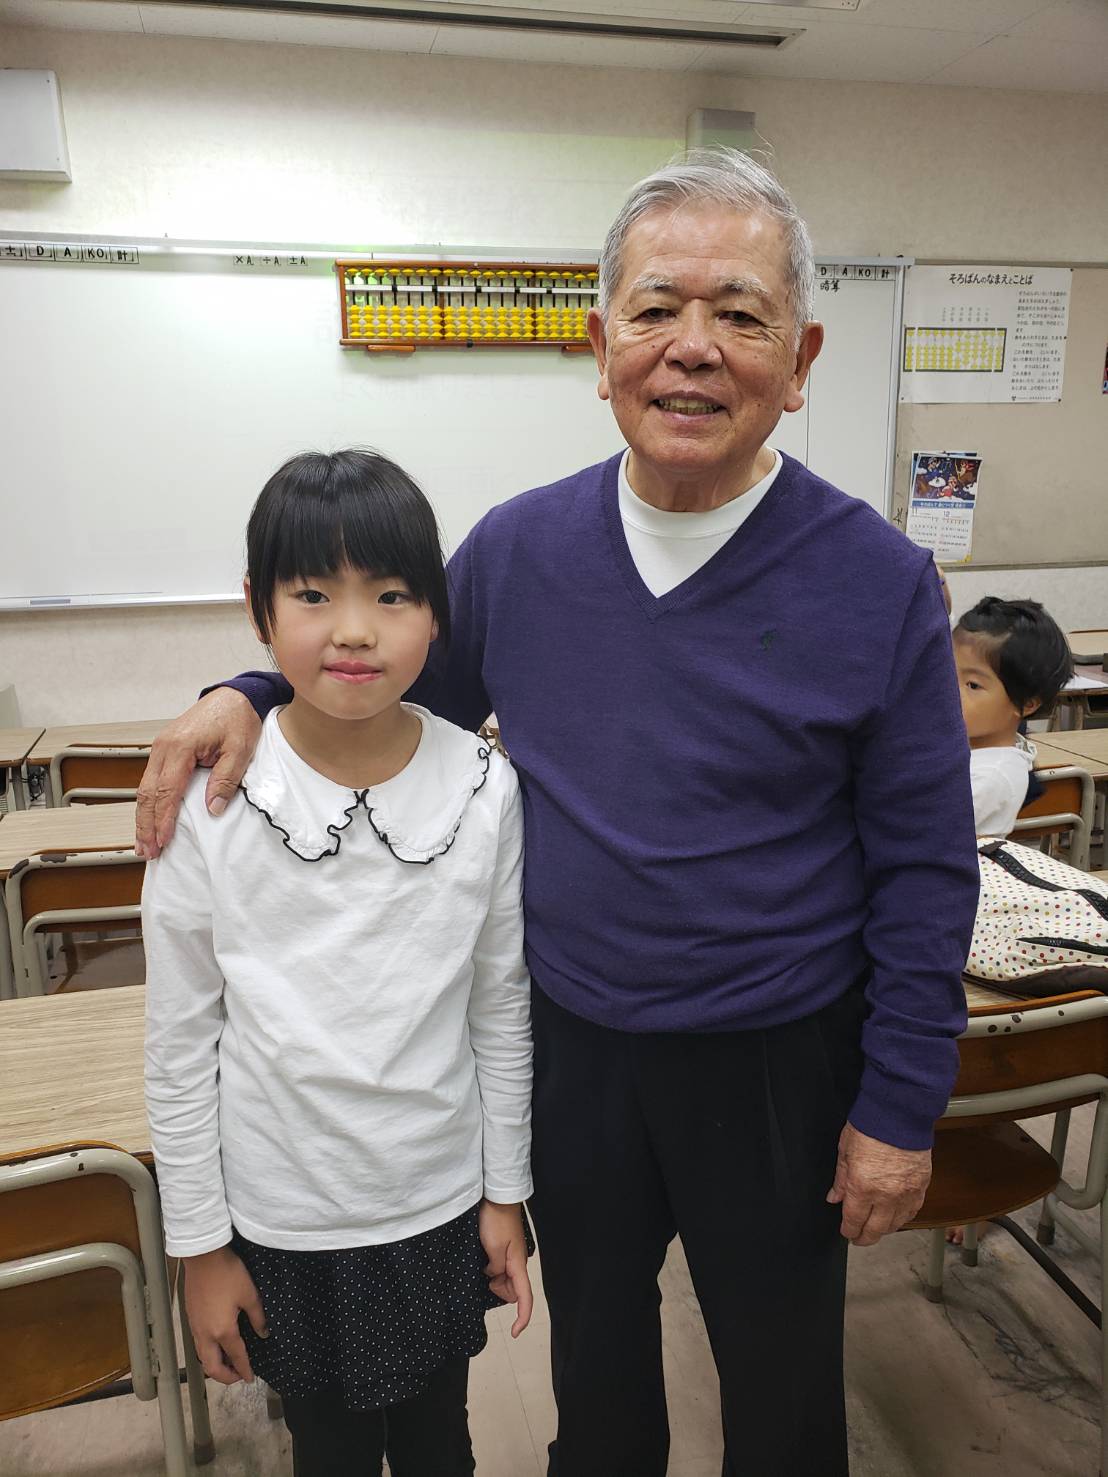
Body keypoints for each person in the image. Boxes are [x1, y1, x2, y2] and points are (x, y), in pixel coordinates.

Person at [137, 151, 980, 1477]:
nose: (691, 347)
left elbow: (928, 871)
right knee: (594, 1368)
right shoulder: (518, 551)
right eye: (655, 310)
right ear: (600, 349)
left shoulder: (878, 582)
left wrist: (901, 1106)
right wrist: (248, 689)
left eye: (740, 313)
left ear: (801, 359)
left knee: (782, 1388)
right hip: (571, 1048)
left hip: (778, 1058)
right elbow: (381, 683)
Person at [142, 449, 533, 1477]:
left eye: (392, 595)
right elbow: (180, 1042)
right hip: (282, 1213)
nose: (354, 628)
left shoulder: (484, 786)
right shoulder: (211, 801)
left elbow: (499, 1004)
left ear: (437, 616)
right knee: (329, 1452)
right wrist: (200, 1245)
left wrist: (505, 1192)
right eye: (314, 594)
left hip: (436, 1197)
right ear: (258, 609)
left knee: (442, 1444)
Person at [953, 595, 1073, 838]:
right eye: (947, 673)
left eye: (973, 685)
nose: (949, 691)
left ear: (1026, 704)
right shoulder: (968, 745)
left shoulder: (991, 777)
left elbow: (915, 830)